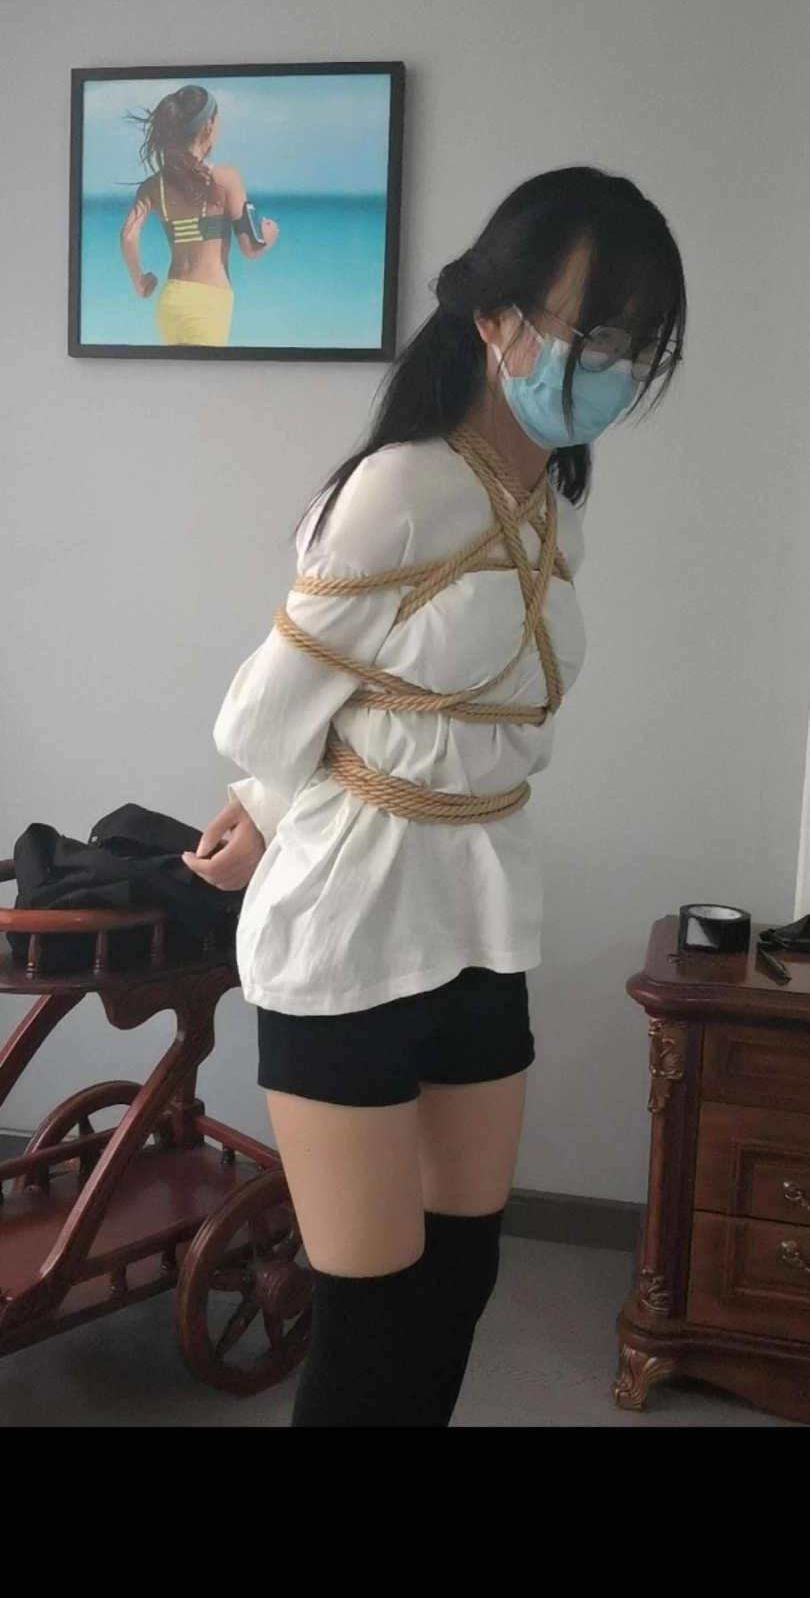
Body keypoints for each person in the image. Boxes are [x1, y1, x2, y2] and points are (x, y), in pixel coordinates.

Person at [184, 165, 687, 1427]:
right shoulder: (397, 490)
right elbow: (267, 717)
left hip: (479, 923)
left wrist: (273, 799)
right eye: (596, 335)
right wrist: (267, 807)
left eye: (640, 347)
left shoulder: (551, 508)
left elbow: (441, 712)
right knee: (368, 1315)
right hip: (346, 934)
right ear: (495, 317)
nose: (616, 370)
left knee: (458, 1280)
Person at [119, 84, 278, 346]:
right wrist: (268, 235)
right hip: (208, 306)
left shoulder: (153, 186)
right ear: (208, 127)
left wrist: (138, 280)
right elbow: (250, 249)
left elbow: (128, 236)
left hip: (169, 305)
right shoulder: (227, 178)